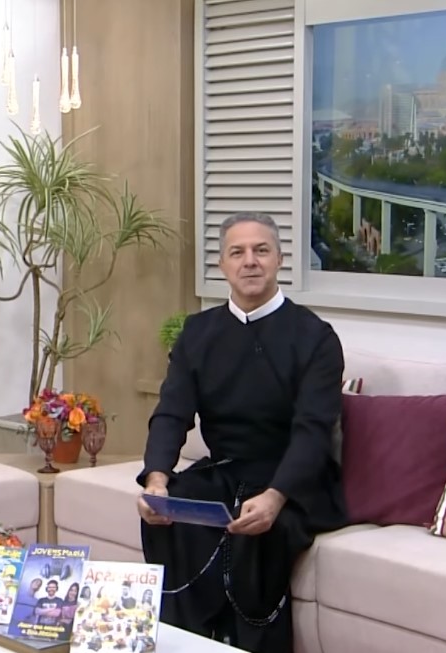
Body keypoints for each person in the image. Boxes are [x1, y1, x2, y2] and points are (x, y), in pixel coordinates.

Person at [135, 212, 348, 652]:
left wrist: (275, 497)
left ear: (279, 260)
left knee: (261, 533)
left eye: (261, 250)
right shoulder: (198, 332)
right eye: (238, 252)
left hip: (294, 481)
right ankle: (184, 642)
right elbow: (172, 412)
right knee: (170, 514)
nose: (250, 261)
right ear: (223, 264)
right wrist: (156, 480)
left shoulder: (315, 336)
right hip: (226, 469)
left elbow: (313, 431)